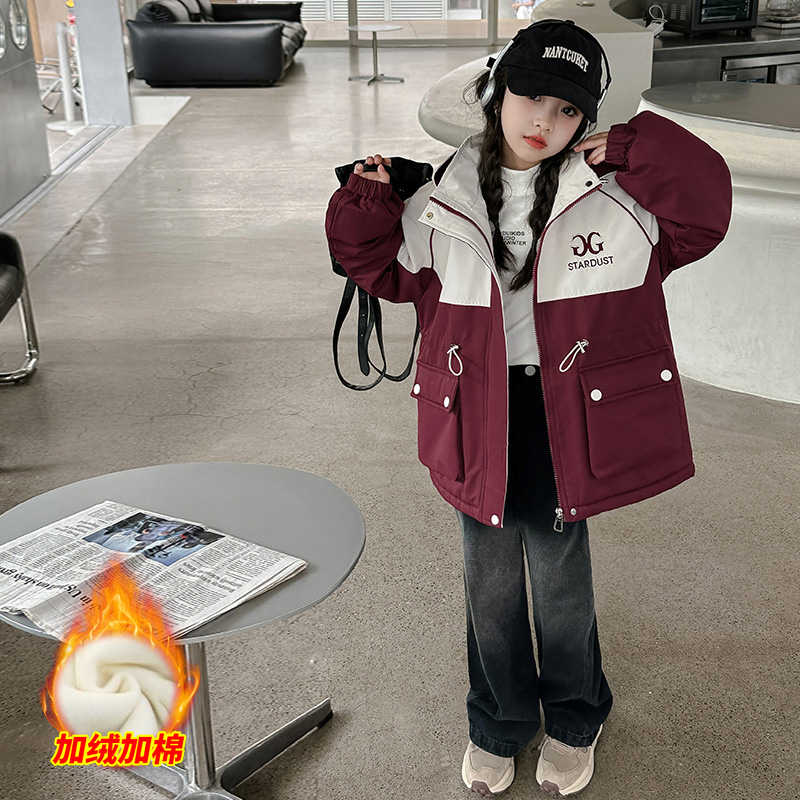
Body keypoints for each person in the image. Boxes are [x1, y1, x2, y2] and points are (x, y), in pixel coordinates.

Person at [325, 18, 732, 797]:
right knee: (489, 584)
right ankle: (499, 723)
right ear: (497, 92)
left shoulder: (619, 198)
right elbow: (375, 265)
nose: (543, 120)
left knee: (559, 582)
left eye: (568, 109)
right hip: (475, 412)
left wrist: (639, 148)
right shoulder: (439, 197)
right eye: (529, 96)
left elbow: (706, 211)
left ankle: (576, 718)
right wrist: (368, 197)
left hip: (565, 414)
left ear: (587, 119)